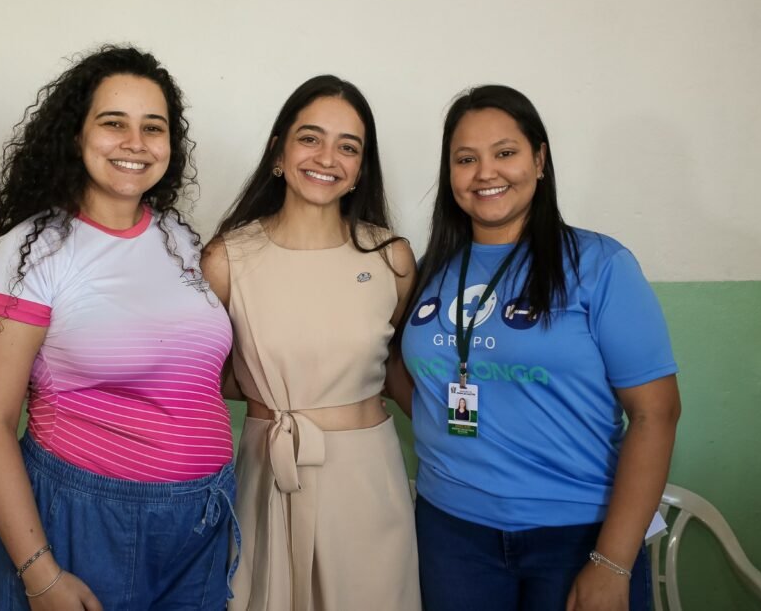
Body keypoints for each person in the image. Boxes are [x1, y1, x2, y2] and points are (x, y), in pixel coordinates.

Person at [0, 45, 237, 610]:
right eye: (114, 123)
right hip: (82, 522)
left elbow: (199, 375)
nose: (135, 142)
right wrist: (41, 575)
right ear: (75, 135)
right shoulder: (31, 252)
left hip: (199, 523)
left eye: (153, 127)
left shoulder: (180, 241)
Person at [401, 85, 681, 611]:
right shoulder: (429, 269)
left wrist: (613, 562)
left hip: (577, 532)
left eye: (505, 152)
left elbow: (656, 414)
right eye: (466, 159)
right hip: (450, 531)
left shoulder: (600, 265)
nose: (485, 173)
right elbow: (404, 370)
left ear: (539, 159)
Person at [201, 75, 421, 611]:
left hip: (367, 481)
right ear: (279, 150)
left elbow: (394, 364)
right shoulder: (227, 258)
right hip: (267, 471)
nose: (327, 158)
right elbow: (208, 373)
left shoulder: (390, 257)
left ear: (361, 168)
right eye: (310, 138)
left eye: (348, 147)